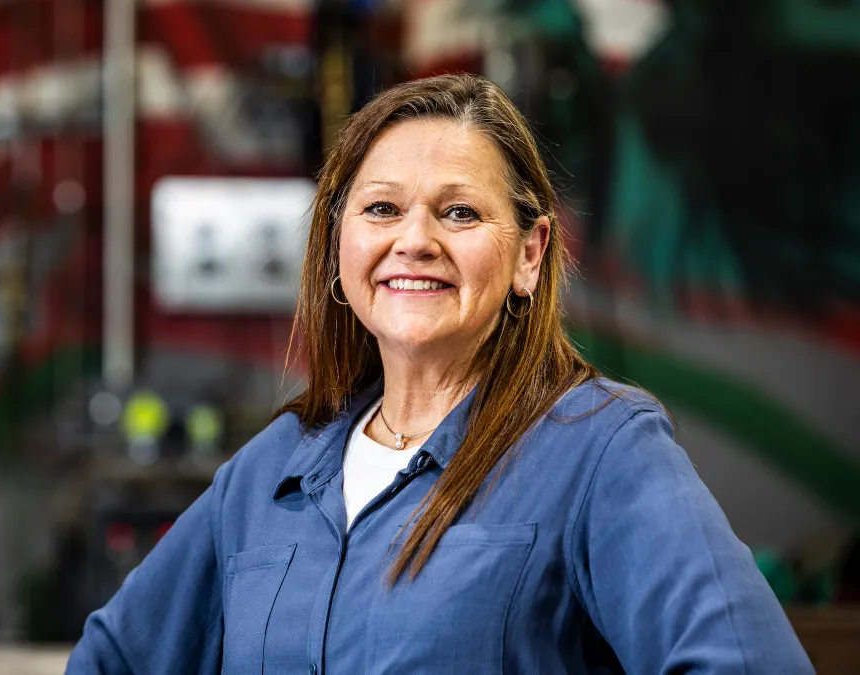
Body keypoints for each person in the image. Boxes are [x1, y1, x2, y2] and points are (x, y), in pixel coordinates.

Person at [66, 74, 812, 673]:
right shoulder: (270, 472)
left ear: (529, 253)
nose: (414, 240)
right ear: (337, 248)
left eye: (459, 213)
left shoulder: (601, 450)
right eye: (383, 208)